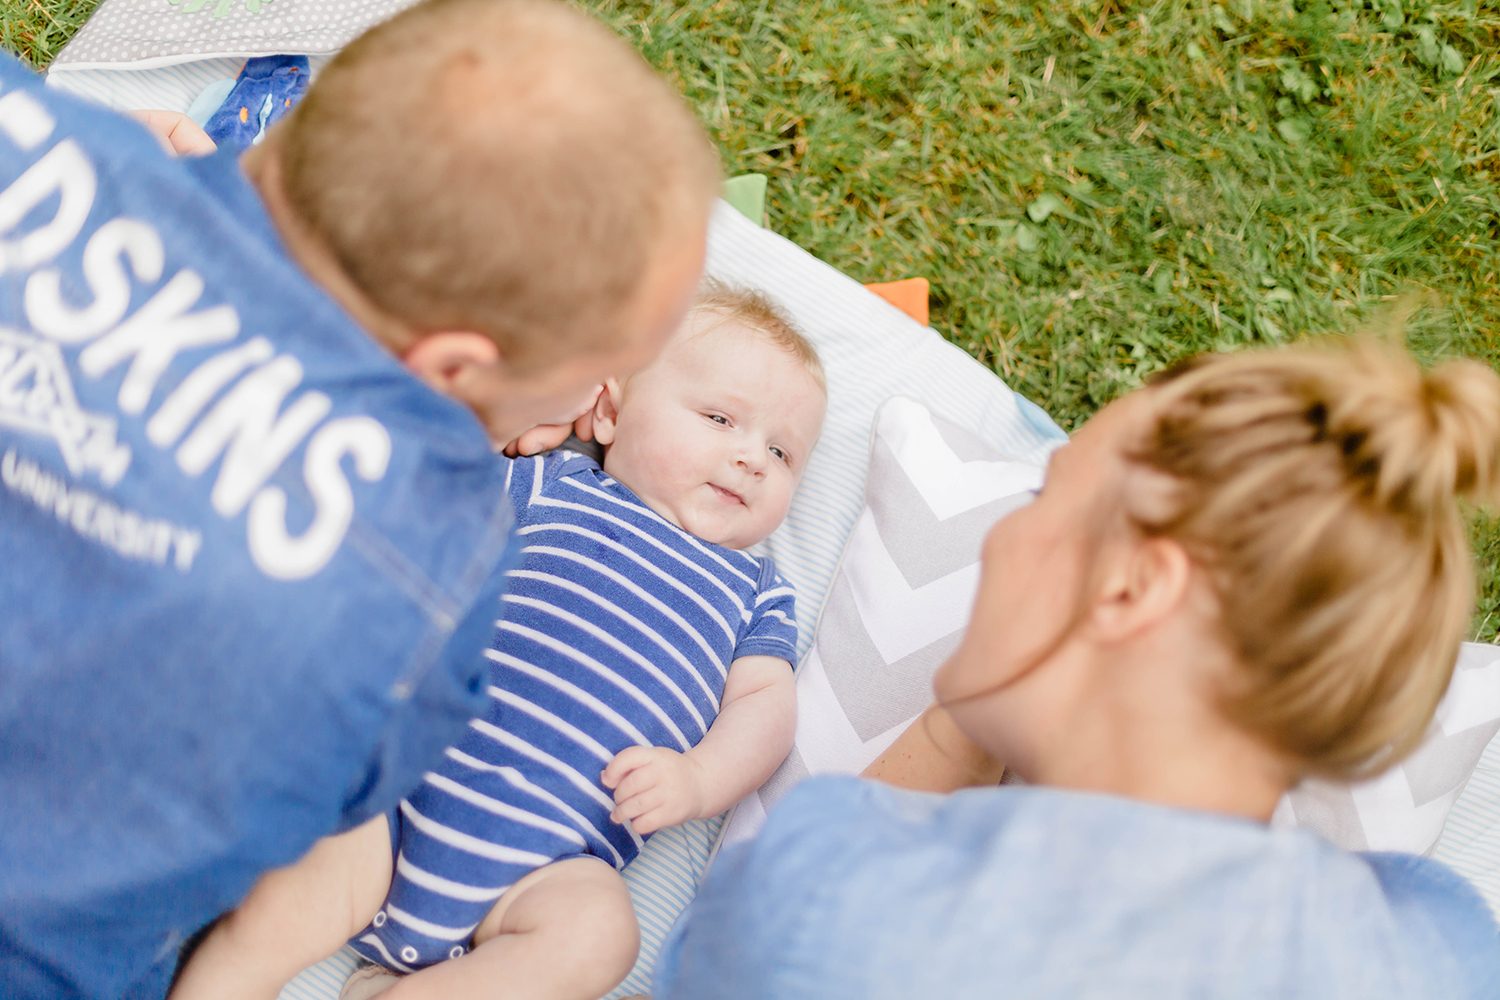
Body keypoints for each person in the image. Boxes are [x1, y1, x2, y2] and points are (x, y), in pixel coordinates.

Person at [0, 1, 720, 996]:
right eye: (591, 382)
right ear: (455, 364)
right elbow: (340, 796)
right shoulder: (431, 573)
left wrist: (90, 157)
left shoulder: (27, 144)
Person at [654, 337, 1500, 999]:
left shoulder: (821, 903)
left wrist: (967, 722)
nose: (1000, 537)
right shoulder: (1438, 947)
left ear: (1131, 587)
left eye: (1042, 497)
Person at [169, 287, 828, 1000]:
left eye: (783, 453)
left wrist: (699, 779)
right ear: (609, 411)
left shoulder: (755, 590)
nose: (751, 459)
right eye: (720, 418)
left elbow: (767, 706)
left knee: (601, 935)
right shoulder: (549, 484)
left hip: (541, 878)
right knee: (286, 899)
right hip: (397, 797)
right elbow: (433, 496)